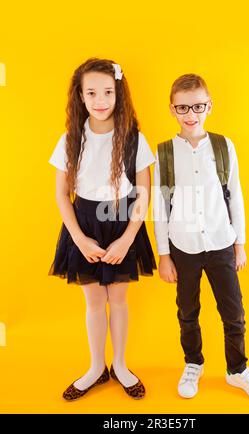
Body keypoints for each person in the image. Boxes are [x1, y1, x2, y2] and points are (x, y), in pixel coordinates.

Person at [153, 73, 249, 402]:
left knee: (233, 311)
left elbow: (236, 195)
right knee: (187, 311)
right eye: (182, 108)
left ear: (209, 107)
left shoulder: (223, 146)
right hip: (183, 247)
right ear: (172, 109)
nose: (190, 114)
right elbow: (159, 206)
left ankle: (238, 370)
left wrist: (240, 243)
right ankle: (193, 363)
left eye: (198, 106)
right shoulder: (164, 153)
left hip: (221, 242)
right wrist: (164, 255)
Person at [48, 58, 156, 400]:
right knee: (94, 299)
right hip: (84, 224)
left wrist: (127, 239)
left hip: (123, 221)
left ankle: (120, 365)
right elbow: (61, 195)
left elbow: (143, 193)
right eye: (91, 92)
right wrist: (79, 239)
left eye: (108, 92)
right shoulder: (70, 139)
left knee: (118, 298)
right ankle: (96, 368)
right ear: (80, 96)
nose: (100, 100)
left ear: (118, 94)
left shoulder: (134, 139)